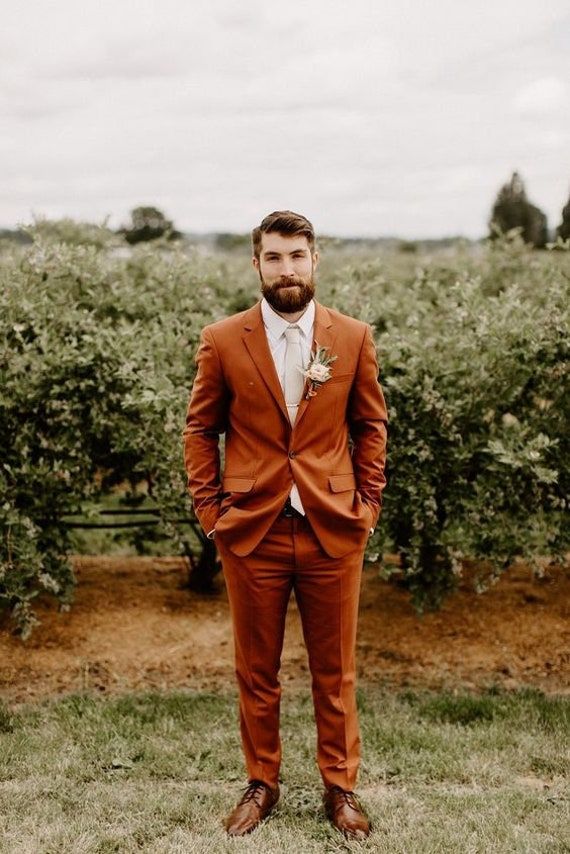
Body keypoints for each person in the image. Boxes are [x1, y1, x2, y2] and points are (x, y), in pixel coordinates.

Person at [183, 210, 388, 840]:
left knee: (336, 669)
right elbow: (200, 429)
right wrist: (212, 513)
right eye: (274, 257)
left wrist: (368, 506)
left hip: (333, 526)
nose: (287, 269)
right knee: (256, 669)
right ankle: (261, 783)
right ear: (257, 264)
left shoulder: (351, 337)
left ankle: (340, 788)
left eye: (297, 256)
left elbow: (370, 426)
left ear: (315, 259)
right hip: (253, 531)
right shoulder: (223, 338)